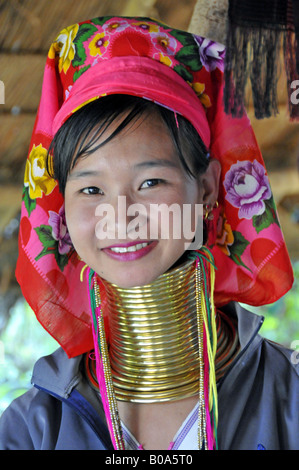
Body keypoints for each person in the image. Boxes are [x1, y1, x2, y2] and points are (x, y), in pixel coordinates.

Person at [0, 16, 298, 451]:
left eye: (151, 183)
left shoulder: (287, 397)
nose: (120, 216)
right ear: (61, 203)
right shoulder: (31, 431)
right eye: (91, 189)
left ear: (208, 189)